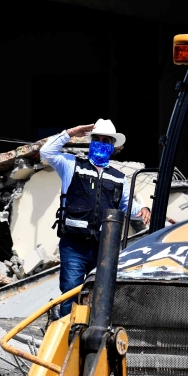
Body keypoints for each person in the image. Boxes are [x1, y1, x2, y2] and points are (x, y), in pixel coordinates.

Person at [40, 119, 151, 315]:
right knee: (70, 294)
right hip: (74, 245)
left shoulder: (118, 177)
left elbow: (126, 206)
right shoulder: (72, 165)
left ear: (112, 146)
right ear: (90, 142)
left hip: (104, 247)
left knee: (101, 296)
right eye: (97, 139)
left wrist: (142, 209)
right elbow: (46, 152)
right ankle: (67, 337)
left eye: (106, 140)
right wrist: (71, 132)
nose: (101, 143)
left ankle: (91, 337)